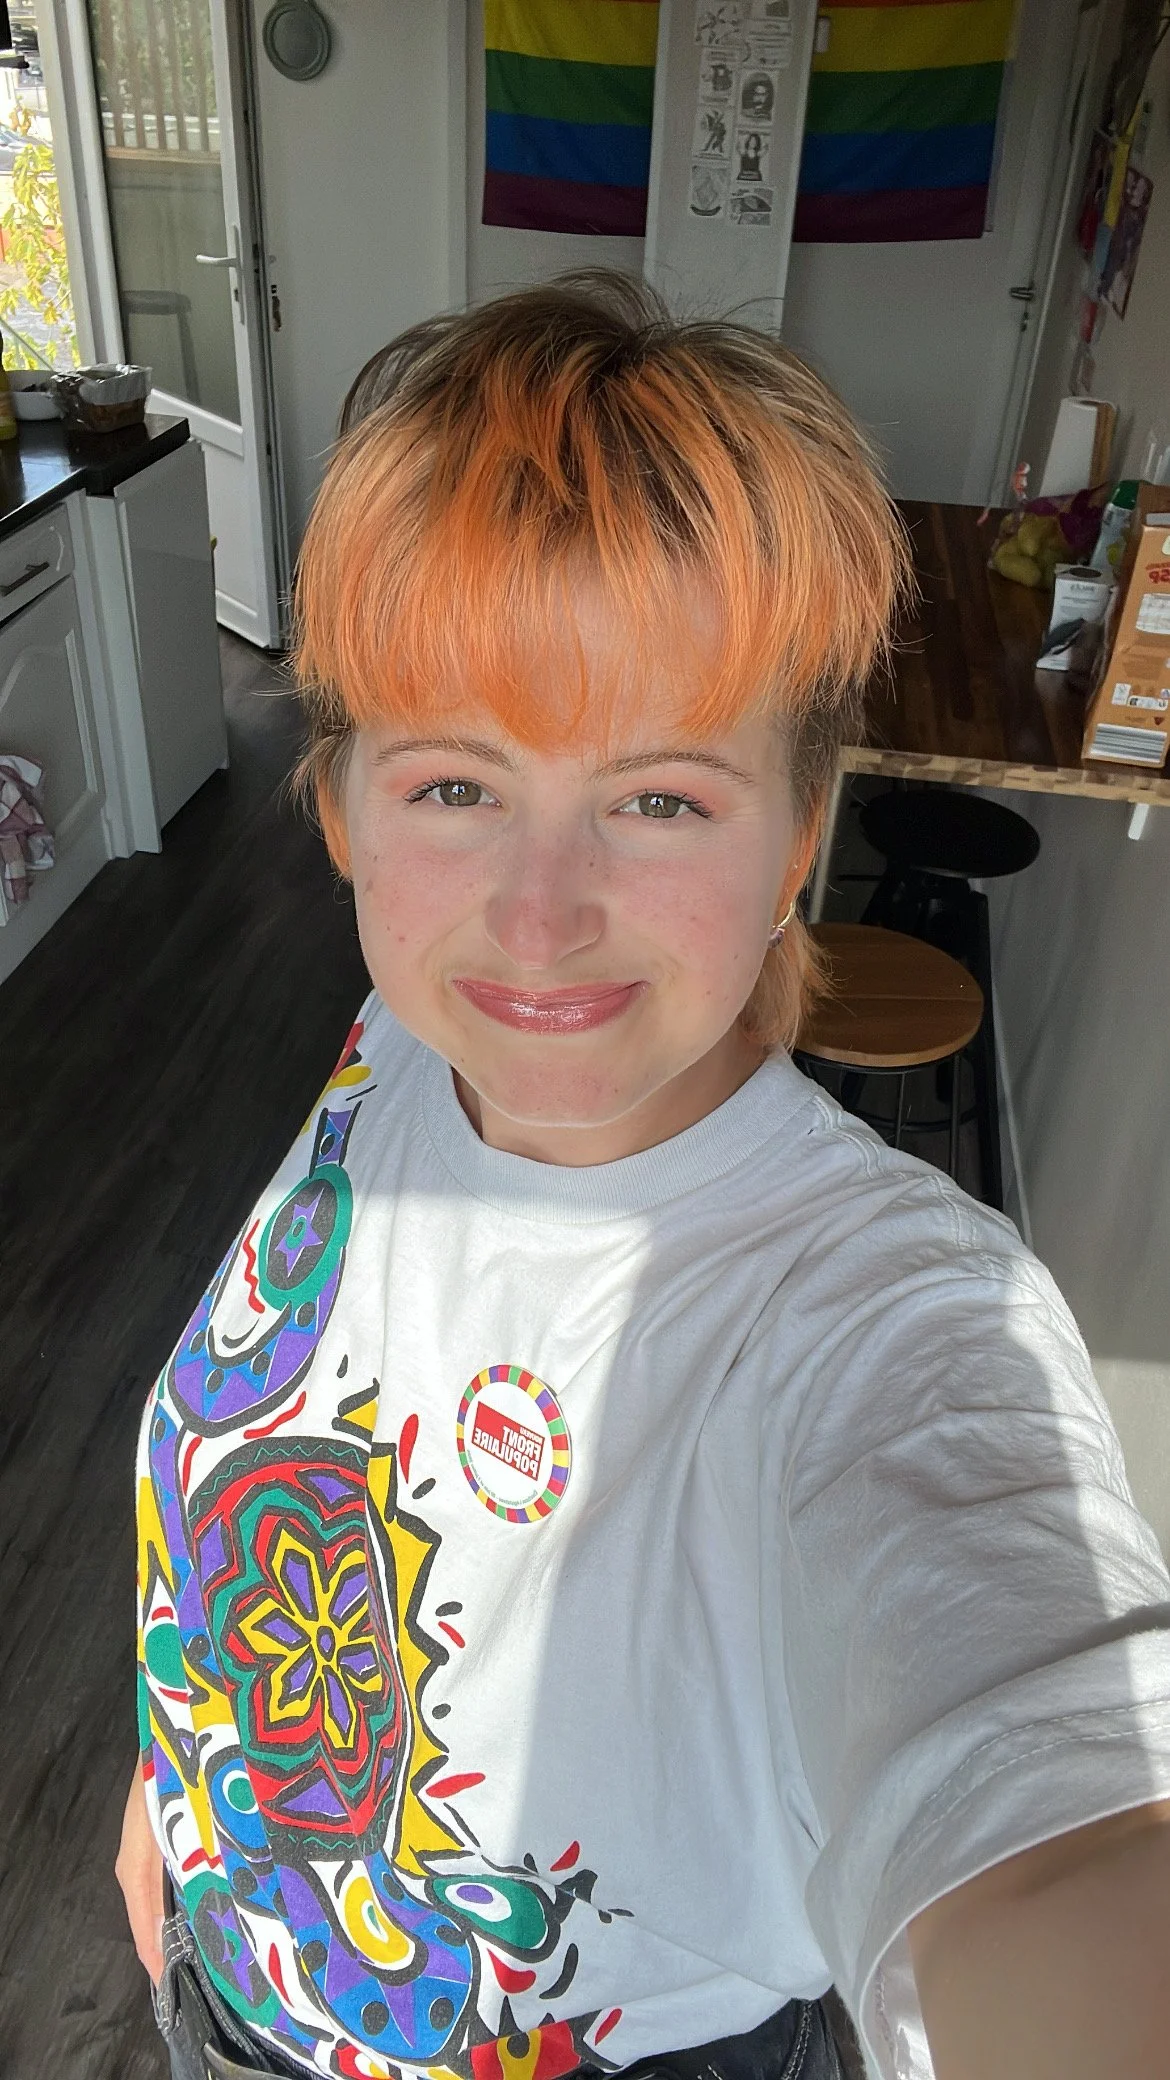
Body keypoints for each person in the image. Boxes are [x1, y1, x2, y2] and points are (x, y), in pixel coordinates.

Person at [117, 274, 1170, 2080]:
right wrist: (170, 1800)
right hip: (216, 1991)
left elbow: (1044, 1804)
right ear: (344, 802)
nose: (537, 917)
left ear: (796, 840)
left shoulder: (890, 1317)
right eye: (454, 786)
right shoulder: (401, 1059)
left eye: (662, 799)